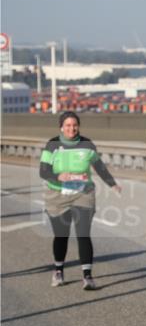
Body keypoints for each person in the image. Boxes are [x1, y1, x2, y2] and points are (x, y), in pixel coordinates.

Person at [39, 111, 122, 290]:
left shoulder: (87, 144)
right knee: (61, 235)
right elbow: (43, 171)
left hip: (83, 193)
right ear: (61, 127)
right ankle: (59, 270)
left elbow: (99, 166)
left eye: (74, 125)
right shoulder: (52, 145)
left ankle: (88, 277)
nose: (71, 128)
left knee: (83, 233)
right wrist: (59, 175)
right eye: (67, 125)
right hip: (57, 195)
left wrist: (112, 184)